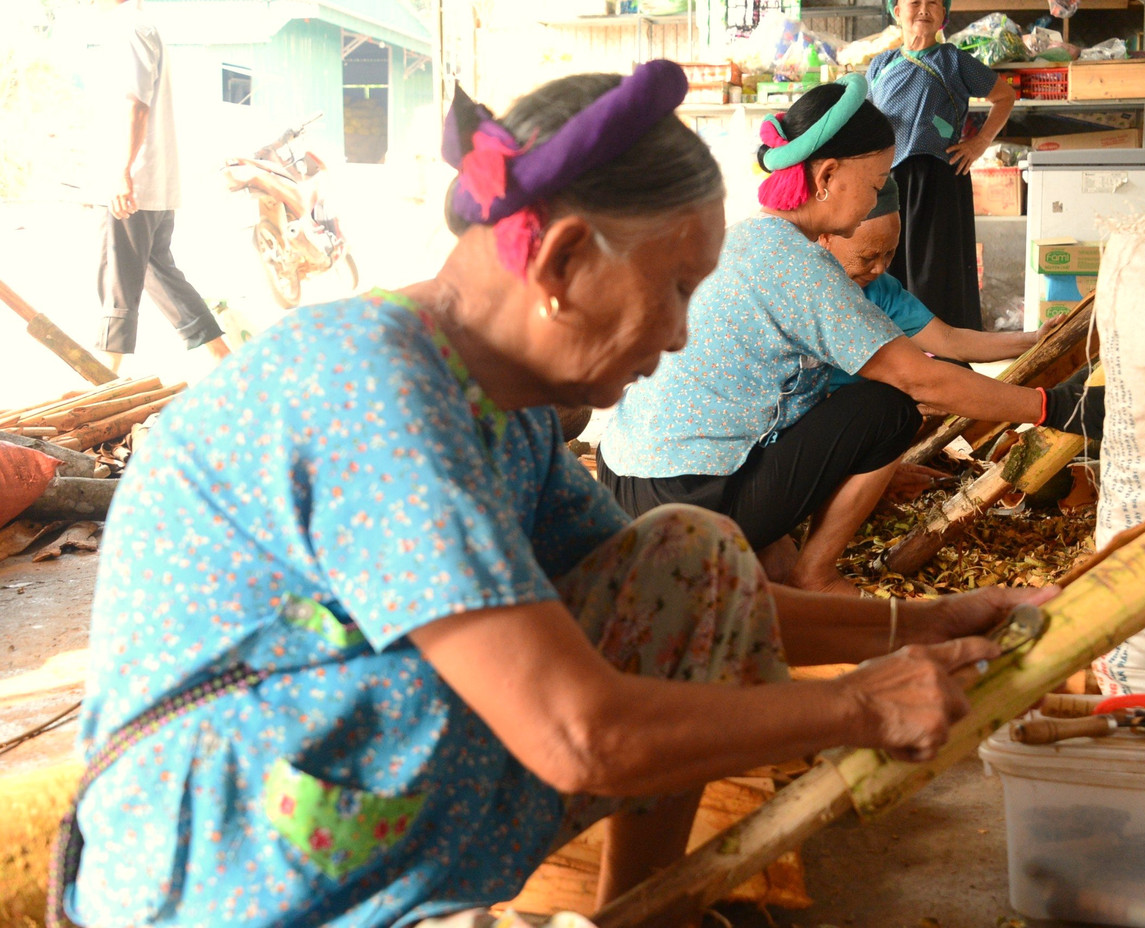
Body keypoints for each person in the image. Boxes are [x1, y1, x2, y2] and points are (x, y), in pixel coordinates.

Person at [53, 64, 1056, 928]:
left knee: (696, 557)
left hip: (338, 820)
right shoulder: (369, 388)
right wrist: (854, 708)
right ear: (563, 260)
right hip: (221, 873)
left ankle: (642, 910)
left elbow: (708, 599)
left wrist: (925, 624)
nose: (677, 334)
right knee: (592, 671)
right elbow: (578, 735)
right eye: (675, 290)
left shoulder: (505, 402)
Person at [598, 76, 1076, 597]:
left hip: (626, 478)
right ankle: (818, 574)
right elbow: (922, 380)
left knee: (774, 562)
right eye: (875, 184)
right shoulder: (800, 265)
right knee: (889, 406)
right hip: (680, 497)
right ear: (827, 175)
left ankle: (758, 557)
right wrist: (1051, 407)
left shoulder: (749, 237)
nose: (875, 199)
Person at [92, 0, 230, 374]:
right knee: (161, 275)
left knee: (117, 277)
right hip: (149, 182)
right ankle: (223, 357)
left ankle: (106, 376)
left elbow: (136, 105)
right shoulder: (137, 27)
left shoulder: (130, 29)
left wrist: (122, 172)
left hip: (135, 182)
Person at [868, 0, 1016, 335]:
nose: (924, 8)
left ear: (943, 15)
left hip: (938, 179)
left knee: (935, 269)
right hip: (889, 181)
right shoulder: (880, 65)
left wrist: (979, 143)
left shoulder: (954, 60)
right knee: (889, 265)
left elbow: (1005, 96)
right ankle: (897, 345)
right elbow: (869, 120)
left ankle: (943, 350)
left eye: (933, 2)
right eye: (914, 2)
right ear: (897, 11)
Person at [820, 175, 1049, 393]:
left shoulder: (881, 289)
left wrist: (1034, 339)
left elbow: (949, 340)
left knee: (952, 369)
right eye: (867, 257)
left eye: (889, 254)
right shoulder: (806, 289)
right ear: (826, 238)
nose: (880, 268)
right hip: (822, 407)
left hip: (865, 399)